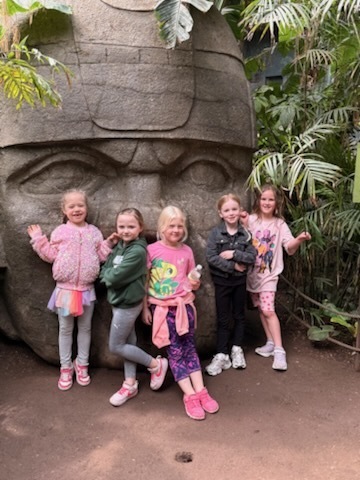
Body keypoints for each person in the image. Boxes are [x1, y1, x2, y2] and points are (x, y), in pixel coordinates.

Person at [27, 189, 113, 391]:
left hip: (87, 290)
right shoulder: (60, 232)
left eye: (80, 205)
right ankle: (65, 367)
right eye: (72, 206)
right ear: (64, 209)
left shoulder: (94, 232)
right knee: (65, 329)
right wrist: (38, 239)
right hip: (65, 290)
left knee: (85, 329)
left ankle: (81, 364)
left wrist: (108, 244)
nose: (77, 209)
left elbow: (99, 256)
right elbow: (49, 254)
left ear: (86, 208)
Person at [142, 206, 219, 421]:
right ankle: (190, 395)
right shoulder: (152, 250)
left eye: (179, 226)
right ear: (162, 227)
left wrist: (194, 282)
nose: (175, 230)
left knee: (189, 348)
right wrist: (144, 307)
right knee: (175, 353)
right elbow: (145, 280)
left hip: (185, 307)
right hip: (162, 309)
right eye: (171, 226)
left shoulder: (186, 251)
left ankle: (201, 390)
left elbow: (191, 281)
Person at [100, 208, 168, 407]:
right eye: (121, 226)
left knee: (116, 346)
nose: (125, 230)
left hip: (128, 304)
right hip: (118, 300)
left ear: (140, 228)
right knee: (128, 344)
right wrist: (108, 273)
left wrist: (108, 275)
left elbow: (112, 277)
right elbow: (107, 267)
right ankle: (130, 383)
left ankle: (156, 365)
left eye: (131, 226)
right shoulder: (121, 244)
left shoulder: (138, 251)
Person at [244, 184, 311, 371]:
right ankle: (270, 343)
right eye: (263, 198)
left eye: (270, 199)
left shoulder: (279, 224)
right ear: (258, 200)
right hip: (252, 275)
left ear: (276, 202)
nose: (266, 202)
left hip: (269, 275)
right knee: (260, 309)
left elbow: (289, 247)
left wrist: (299, 239)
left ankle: (280, 351)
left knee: (268, 310)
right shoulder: (251, 220)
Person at [205, 193, 257, 376]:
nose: (231, 213)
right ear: (221, 213)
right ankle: (221, 353)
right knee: (223, 317)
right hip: (222, 282)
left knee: (239, 315)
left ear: (240, 210)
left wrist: (234, 253)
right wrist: (233, 265)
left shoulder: (246, 234)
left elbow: (252, 256)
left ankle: (236, 348)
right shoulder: (215, 233)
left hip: (239, 283)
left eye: (234, 209)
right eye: (227, 210)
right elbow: (211, 257)